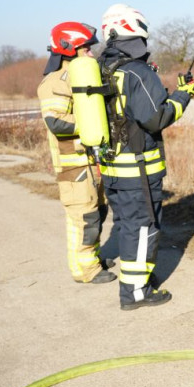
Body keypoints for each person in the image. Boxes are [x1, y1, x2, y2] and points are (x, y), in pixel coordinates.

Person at [97, 4, 194, 311]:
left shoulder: (103, 68)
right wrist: (183, 96)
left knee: (128, 226)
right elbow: (156, 118)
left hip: (112, 168)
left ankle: (133, 282)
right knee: (142, 228)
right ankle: (136, 292)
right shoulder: (137, 72)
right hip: (138, 170)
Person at [37, 21, 115, 285]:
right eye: (86, 49)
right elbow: (56, 122)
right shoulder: (55, 82)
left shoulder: (80, 78)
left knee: (97, 213)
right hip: (73, 166)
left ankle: (92, 257)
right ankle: (85, 270)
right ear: (69, 48)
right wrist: (91, 124)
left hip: (90, 162)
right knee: (83, 218)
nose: (91, 54)